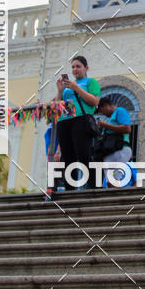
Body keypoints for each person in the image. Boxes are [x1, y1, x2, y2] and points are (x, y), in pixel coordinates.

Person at [54, 56, 101, 190]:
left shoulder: (90, 82)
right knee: (68, 158)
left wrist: (76, 88)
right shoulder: (67, 86)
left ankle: (95, 187)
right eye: (73, 67)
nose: (75, 69)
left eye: (78, 66)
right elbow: (57, 106)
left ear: (86, 68)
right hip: (64, 121)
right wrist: (60, 90)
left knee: (84, 155)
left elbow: (94, 102)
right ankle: (70, 190)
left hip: (81, 120)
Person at [95, 97, 132, 164]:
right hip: (111, 151)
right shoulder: (111, 118)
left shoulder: (120, 111)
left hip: (120, 149)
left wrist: (105, 125)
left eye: (101, 111)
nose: (102, 113)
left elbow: (127, 129)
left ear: (106, 105)